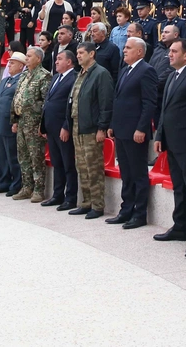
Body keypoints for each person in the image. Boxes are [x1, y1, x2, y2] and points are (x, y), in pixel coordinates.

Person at [153, 38, 186, 251]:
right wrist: (159, 135)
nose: (170, 54)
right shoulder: (172, 76)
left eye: (175, 51)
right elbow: (165, 109)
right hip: (172, 141)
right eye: (170, 51)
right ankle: (179, 226)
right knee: (178, 186)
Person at [107, 37, 159, 228]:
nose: (124, 50)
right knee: (126, 173)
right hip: (121, 129)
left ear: (140, 51)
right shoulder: (124, 70)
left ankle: (139, 213)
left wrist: (141, 128)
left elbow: (149, 103)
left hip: (135, 131)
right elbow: (118, 99)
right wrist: (112, 124)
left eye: (129, 48)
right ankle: (126, 209)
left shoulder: (147, 71)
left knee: (138, 173)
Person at [68, 41, 115, 218]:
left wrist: (102, 127)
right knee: (82, 167)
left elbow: (105, 103)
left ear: (92, 54)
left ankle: (97, 205)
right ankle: (86, 202)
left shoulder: (101, 74)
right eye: (77, 53)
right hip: (77, 126)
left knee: (93, 168)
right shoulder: (80, 73)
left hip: (92, 128)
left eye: (81, 53)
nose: (78, 55)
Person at [38, 49, 79, 208]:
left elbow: (70, 105)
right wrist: (43, 126)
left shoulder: (74, 78)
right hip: (51, 128)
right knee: (57, 163)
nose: (56, 62)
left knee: (68, 163)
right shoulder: (55, 77)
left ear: (69, 62)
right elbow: (48, 103)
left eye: (60, 59)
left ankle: (70, 198)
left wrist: (66, 126)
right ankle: (57, 194)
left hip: (63, 128)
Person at [11, 46, 51, 201]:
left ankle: (39, 190)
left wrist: (40, 122)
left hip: (34, 124)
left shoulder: (44, 76)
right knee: (23, 156)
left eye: (29, 56)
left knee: (36, 157)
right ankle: (26, 187)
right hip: (21, 122)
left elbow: (45, 102)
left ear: (38, 59)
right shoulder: (24, 75)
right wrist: (14, 119)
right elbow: (17, 97)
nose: (26, 59)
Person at [0, 52, 27, 195]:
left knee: (12, 155)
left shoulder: (21, 81)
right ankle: (3, 182)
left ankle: (16, 184)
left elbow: (18, 103)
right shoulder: (4, 80)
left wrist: (16, 121)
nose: (9, 65)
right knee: (1, 156)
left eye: (12, 63)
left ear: (20, 66)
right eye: (9, 62)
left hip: (9, 122)